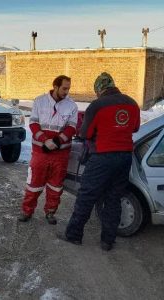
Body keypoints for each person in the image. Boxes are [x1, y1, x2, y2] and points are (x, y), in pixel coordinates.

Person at [60, 72, 140, 251]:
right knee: (114, 198)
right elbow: (135, 127)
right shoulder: (132, 103)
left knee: (87, 196)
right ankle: (107, 241)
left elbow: (85, 134)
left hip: (102, 156)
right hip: (125, 157)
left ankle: (73, 235)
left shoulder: (97, 105)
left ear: (99, 89)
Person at [19, 75, 78, 224]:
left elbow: (72, 127)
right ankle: (27, 211)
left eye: (68, 89)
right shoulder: (40, 101)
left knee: (56, 185)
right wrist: (45, 140)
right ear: (56, 86)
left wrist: (58, 141)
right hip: (40, 152)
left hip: (61, 154)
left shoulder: (72, 105)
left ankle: (50, 212)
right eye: (64, 88)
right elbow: (33, 123)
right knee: (34, 184)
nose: (66, 92)